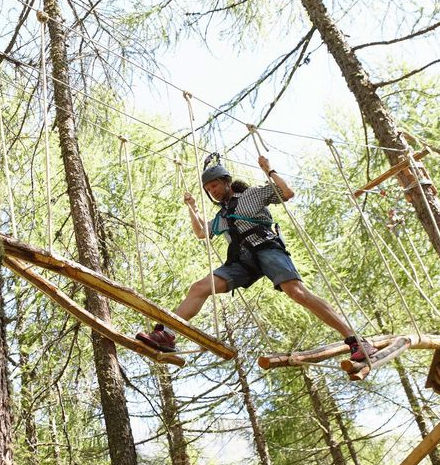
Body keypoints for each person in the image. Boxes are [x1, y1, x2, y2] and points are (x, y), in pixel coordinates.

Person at [135, 153, 377, 362]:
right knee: (199, 287)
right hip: (242, 261)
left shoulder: (251, 195)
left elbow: (287, 193)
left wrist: (268, 170)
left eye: (215, 186)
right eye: (209, 190)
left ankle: (355, 339)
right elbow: (201, 233)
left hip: (267, 249)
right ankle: (168, 333)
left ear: (227, 181)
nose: (214, 192)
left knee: (297, 292)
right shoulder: (223, 215)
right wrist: (194, 208)